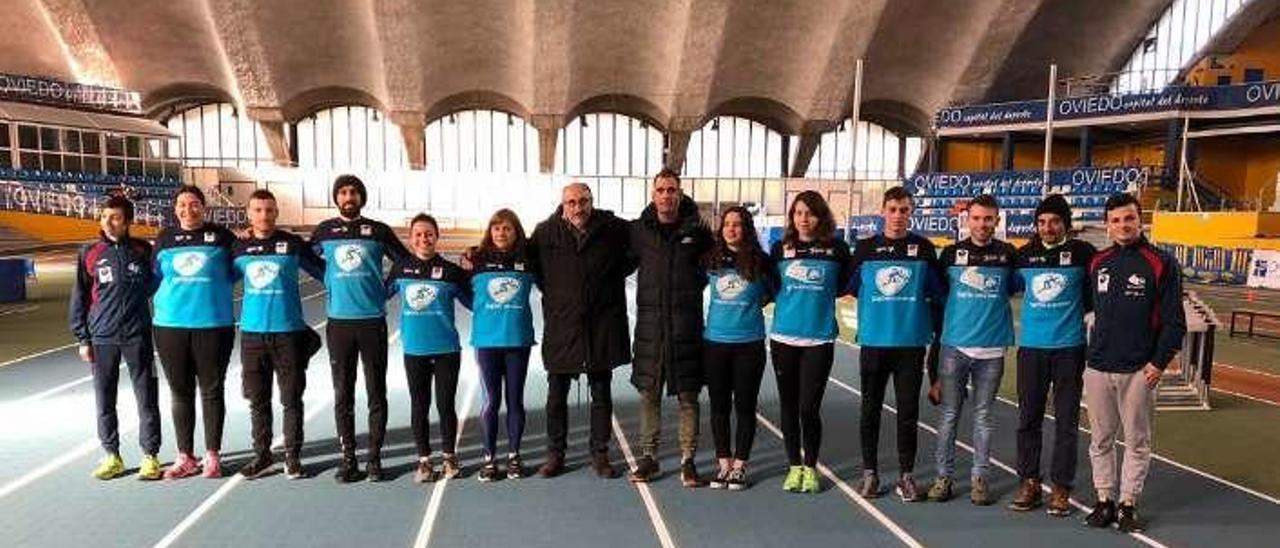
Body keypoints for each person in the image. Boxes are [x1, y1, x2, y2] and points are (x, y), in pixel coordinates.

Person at [1083, 193, 1185, 533]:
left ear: (1140, 220)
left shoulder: (1161, 263)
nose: (1123, 225)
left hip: (1139, 370)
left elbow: (1175, 322)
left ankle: (1128, 503)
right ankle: (1104, 500)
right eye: (1116, 220)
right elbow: (1090, 309)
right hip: (1098, 366)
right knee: (1100, 439)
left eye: (1129, 218)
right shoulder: (1098, 262)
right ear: (1107, 225)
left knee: (1137, 441)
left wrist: (1158, 363)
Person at [529, 182, 635, 478]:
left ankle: (599, 454)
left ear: (592, 202)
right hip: (563, 327)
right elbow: (530, 265)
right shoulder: (545, 232)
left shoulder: (613, 228)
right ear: (563, 205)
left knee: (601, 394)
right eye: (572, 202)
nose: (578, 207)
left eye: (584, 201)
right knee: (556, 398)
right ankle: (555, 454)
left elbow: (639, 246)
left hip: (601, 327)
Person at [310, 174, 410, 483]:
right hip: (339, 324)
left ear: (361, 197)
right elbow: (303, 258)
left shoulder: (378, 231)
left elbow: (404, 261)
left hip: (372, 322)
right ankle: (348, 457)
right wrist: (326, 278)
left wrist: (386, 290)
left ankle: (375, 459)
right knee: (343, 393)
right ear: (336, 198)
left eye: (353, 192)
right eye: (342, 192)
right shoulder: (324, 231)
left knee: (376, 392)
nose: (348, 196)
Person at [847, 186, 942, 502]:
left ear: (911, 212)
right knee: (869, 410)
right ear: (883, 211)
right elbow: (850, 287)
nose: (898, 216)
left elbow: (936, 292)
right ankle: (870, 474)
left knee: (908, 413)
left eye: (904, 210)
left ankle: (906, 476)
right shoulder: (865, 249)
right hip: (874, 342)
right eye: (893, 209)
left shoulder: (925, 249)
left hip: (910, 345)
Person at [1008, 194, 1096, 515]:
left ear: (1066, 224)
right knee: (1028, 419)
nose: (1048, 227)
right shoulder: (1023, 256)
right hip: (1031, 349)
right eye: (1042, 222)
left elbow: (1093, 297)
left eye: (1055, 221)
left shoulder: (1083, 254)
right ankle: (1029, 481)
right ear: (1036, 225)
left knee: (1066, 422)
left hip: (1069, 349)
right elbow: (1006, 286)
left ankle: (1061, 487)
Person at [628, 169, 714, 487]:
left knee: (688, 396)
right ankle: (649, 458)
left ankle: (687, 461)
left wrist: (688, 291)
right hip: (651, 326)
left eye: (671, 190)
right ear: (653, 195)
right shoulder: (638, 231)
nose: (666, 195)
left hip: (686, 325)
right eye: (661, 190)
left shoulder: (698, 231)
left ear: (679, 194)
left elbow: (710, 268)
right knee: (648, 393)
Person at [929, 194, 1018, 505]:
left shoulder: (1008, 255)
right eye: (977, 218)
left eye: (988, 218)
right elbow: (939, 297)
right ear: (968, 220)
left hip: (992, 350)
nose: (982, 224)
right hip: (954, 347)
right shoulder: (951, 255)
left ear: (997, 220)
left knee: (983, 417)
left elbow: (1014, 288)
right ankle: (943, 478)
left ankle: (980, 479)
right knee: (949, 415)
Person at [232, 189, 325, 480]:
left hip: (288, 334)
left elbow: (324, 272)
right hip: (252, 336)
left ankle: (293, 457)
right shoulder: (239, 248)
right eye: (258, 210)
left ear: (276, 212)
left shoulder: (292, 244)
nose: (264, 216)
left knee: (291, 399)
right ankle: (262, 455)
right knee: (258, 401)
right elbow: (217, 275)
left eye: (269, 210)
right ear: (249, 214)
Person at [70, 195, 163, 481]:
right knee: (104, 398)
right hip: (102, 337)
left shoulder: (143, 250)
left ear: (128, 221)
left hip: (137, 334)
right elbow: (80, 296)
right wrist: (82, 337)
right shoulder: (89, 252)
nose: (108, 222)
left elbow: (154, 282)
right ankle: (112, 455)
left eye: (115, 217)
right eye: (104, 216)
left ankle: (150, 456)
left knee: (146, 396)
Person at [153, 185, 237, 480]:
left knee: (212, 390)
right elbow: (153, 278)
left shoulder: (223, 238)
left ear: (204, 207)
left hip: (213, 324)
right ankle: (185, 456)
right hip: (170, 326)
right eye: (182, 204)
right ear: (175, 209)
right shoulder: (164, 239)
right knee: (180, 391)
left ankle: (212, 455)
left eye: (194, 204)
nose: (188, 209)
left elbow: (238, 271)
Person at [769, 190, 850, 494]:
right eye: (798, 213)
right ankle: (794, 467)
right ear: (792, 217)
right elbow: (773, 286)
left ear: (820, 216)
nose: (804, 219)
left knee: (808, 408)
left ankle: (811, 467)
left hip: (819, 339)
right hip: (783, 338)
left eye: (810, 213)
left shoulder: (837, 249)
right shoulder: (780, 249)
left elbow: (845, 285)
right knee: (788, 406)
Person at [386, 214, 471, 484]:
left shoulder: (450, 271)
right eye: (418, 234)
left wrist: (471, 272)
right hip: (415, 350)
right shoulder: (400, 269)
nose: (424, 238)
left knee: (446, 405)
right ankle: (424, 460)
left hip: (446, 349)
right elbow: (380, 294)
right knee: (419, 406)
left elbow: (471, 302)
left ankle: (449, 456)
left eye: (429, 234)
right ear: (411, 239)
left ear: (436, 237)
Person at [701, 206, 775, 491]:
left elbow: (773, 291)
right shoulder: (710, 259)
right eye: (728, 224)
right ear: (721, 229)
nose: (732, 229)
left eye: (738, 224)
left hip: (749, 345)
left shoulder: (761, 261)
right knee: (719, 407)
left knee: (745, 406)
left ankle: (741, 466)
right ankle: (723, 465)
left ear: (747, 229)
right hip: (715, 343)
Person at [465, 209, 537, 482]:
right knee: (490, 401)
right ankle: (489, 459)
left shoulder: (528, 262)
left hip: (518, 340)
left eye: (507, 228)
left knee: (515, 400)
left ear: (516, 231)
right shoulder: (476, 259)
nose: (501, 233)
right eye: (496, 229)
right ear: (489, 232)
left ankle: (514, 456)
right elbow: (462, 291)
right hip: (486, 342)